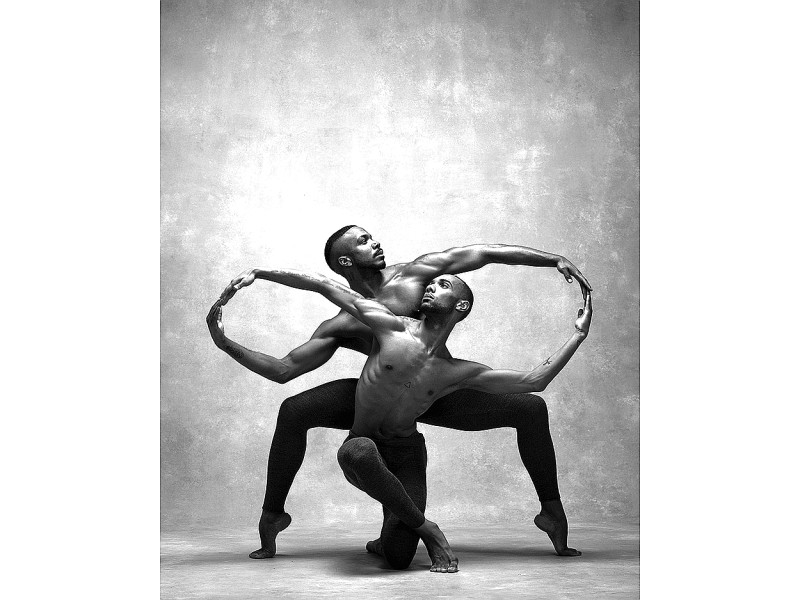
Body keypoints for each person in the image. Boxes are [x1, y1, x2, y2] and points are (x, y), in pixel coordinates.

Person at [207, 225, 591, 559]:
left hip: (433, 390)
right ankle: (274, 513)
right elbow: (285, 368)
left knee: (529, 407)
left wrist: (552, 260)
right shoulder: (345, 321)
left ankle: (551, 511)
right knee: (295, 410)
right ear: (346, 261)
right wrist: (255, 284)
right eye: (363, 240)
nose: (376, 243)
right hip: (375, 395)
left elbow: (481, 254)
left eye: (372, 237)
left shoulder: (414, 277)